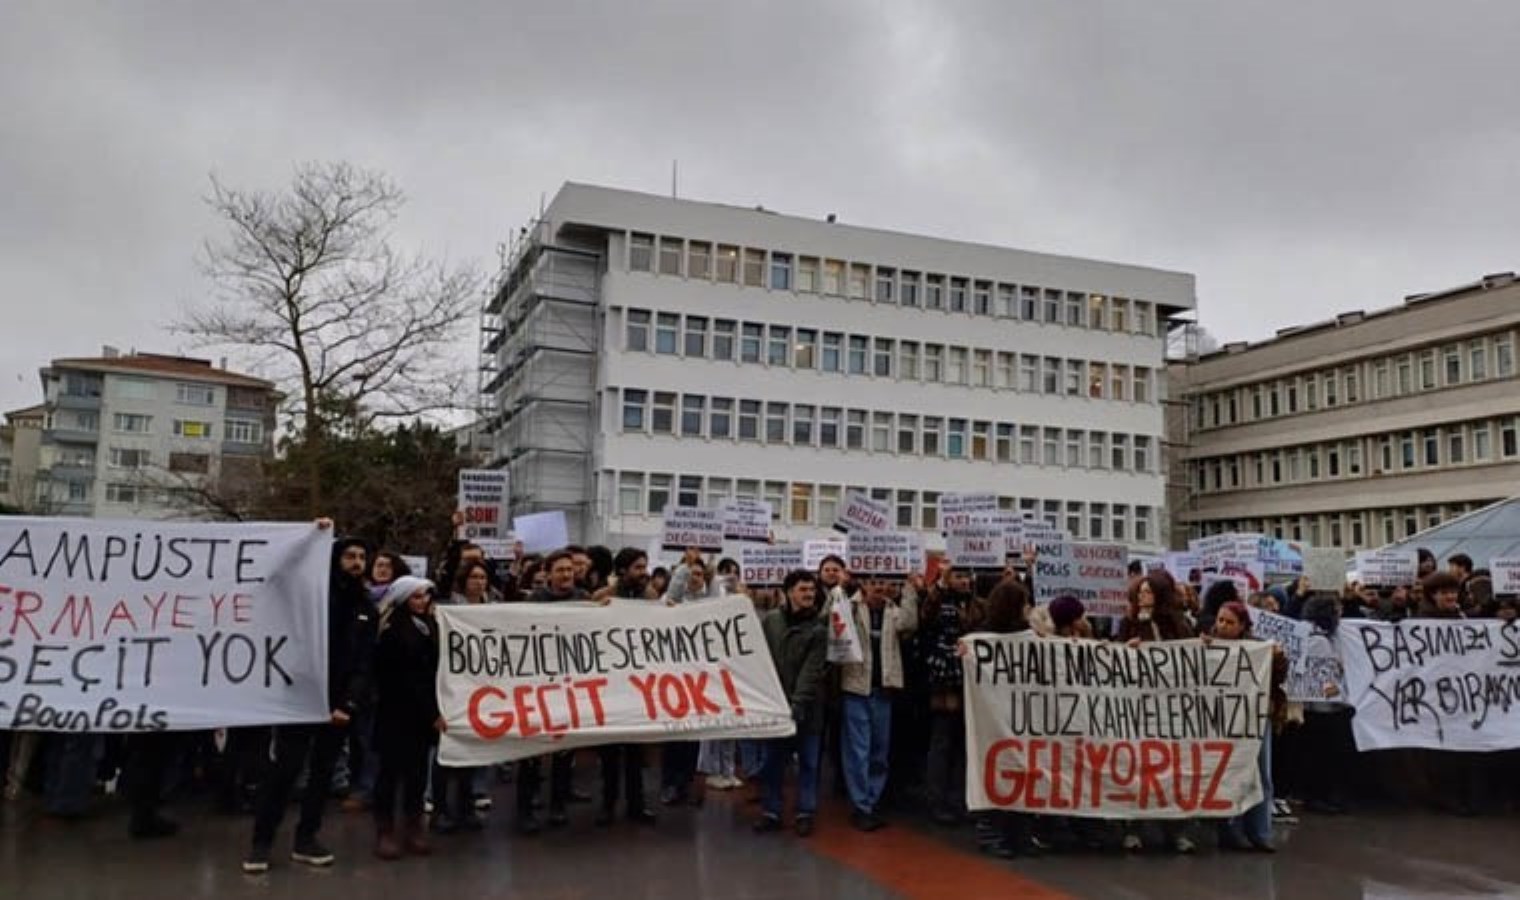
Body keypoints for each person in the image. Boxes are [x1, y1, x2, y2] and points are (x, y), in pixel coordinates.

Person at [243, 526, 375, 874]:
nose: (357, 563)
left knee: (322, 775)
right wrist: (308, 538)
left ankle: (307, 838)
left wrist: (348, 704)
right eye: (350, 556)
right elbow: (277, 575)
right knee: (284, 773)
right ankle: (261, 842)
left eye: (362, 557)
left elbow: (364, 663)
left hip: (338, 709)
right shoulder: (312, 596)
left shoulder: (366, 608)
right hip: (300, 700)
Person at [1118, 572, 1196, 854]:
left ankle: (1175, 830)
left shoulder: (1178, 624)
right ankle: (1133, 828)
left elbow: (1190, 658)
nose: (1142, 597)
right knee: (1138, 769)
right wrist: (1126, 650)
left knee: (1172, 770)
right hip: (1138, 709)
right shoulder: (1128, 624)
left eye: (1149, 592)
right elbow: (1115, 661)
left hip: (1171, 710)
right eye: (1140, 592)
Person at [972, 577, 1047, 859]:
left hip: (1021, 715)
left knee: (1023, 774)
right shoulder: (983, 635)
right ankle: (991, 832)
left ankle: (1021, 833)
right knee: (994, 771)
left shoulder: (1028, 635)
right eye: (1025, 604)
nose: (1028, 609)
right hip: (993, 717)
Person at [371, 577, 445, 860]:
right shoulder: (392, 632)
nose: (423, 601)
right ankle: (385, 829)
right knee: (389, 774)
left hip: (420, 717)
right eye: (416, 597)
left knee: (416, 774)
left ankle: (413, 825)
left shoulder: (431, 627)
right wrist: (432, 712)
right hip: (397, 713)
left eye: (425, 596)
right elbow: (405, 678)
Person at [838, 575, 918, 831]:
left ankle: (872, 799)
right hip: (856, 689)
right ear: (863, 584)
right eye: (873, 582)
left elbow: (910, 623)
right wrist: (843, 585)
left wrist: (909, 588)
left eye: (884, 582)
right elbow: (831, 616)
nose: (880, 587)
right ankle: (861, 805)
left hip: (883, 689)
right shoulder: (850, 607)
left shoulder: (893, 612)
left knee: (879, 752)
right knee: (858, 751)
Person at [516, 550, 585, 834]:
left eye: (570, 569)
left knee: (564, 752)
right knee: (531, 752)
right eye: (560, 570)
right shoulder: (535, 602)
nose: (566, 574)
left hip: (569, 686)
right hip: (538, 686)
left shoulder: (584, 601)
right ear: (548, 573)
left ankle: (558, 805)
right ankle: (526, 809)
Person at [755, 570, 829, 837]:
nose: (809, 594)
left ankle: (805, 812)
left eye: (811, 589)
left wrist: (796, 705)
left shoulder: (819, 629)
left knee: (808, 764)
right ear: (788, 592)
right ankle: (771, 811)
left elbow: (812, 672)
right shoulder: (772, 621)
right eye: (802, 589)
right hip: (776, 707)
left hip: (807, 709)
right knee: (773, 762)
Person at [1210, 601, 1284, 852]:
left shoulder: (1258, 649)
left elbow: (1277, 679)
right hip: (1222, 719)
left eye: (1230, 622)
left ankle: (1260, 832)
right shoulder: (1207, 645)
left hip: (1254, 718)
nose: (1223, 626)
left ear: (1242, 626)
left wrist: (1278, 658)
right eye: (1220, 620)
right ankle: (1231, 830)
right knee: (1229, 774)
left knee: (1262, 774)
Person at [594, 548, 658, 827]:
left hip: (637, 687)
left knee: (635, 753)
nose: (644, 573)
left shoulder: (651, 597)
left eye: (645, 567)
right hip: (609, 687)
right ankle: (608, 805)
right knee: (610, 754)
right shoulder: (601, 598)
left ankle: (637, 804)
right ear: (622, 571)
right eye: (638, 568)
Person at [431, 560, 495, 833]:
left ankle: (466, 805)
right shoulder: (449, 610)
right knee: (445, 751)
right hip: (452, 688)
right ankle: (440, 808)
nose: (479, 582)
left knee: (472, 750)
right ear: (463, 580)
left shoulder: (494, 609)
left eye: (483, 577)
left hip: (480, 688)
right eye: (474, 577)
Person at [919, 566, 977, 826]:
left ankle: (959, 799)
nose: (964, 581)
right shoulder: (937, 602)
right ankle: (936, 800)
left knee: (964, 743)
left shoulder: (977, 605)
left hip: (971, 679)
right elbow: (925, 617)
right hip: (944, 679)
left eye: (967, 576)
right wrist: (939, 587)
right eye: (958, 576)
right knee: (942, 740)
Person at [1299, 594, 1352, 815]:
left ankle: (1318, 795)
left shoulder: (1309, 633)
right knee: (1321, 755)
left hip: (1316, 706)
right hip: (1321, 707)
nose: (1340, 615)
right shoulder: (1317, 640)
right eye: (1337, 611)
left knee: (1317, 754)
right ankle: (1318, 797)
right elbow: (1325, 678)